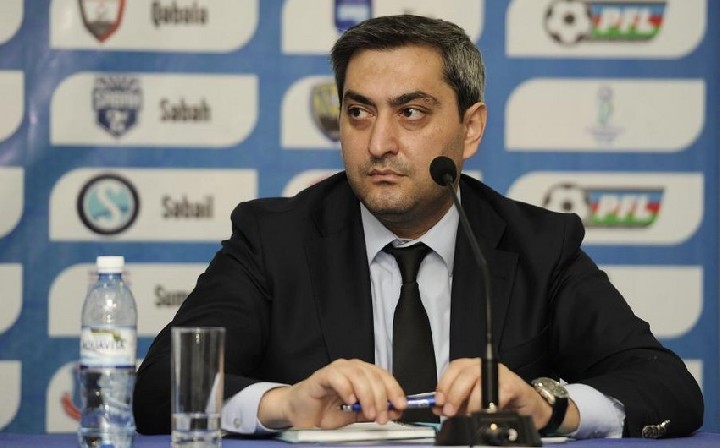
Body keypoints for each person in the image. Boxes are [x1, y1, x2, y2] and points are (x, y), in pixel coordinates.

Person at [133, 14, 703, 438]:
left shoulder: (537, 245)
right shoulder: (272, 239)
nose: (379, 143)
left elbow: (665, 385)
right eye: (359, 112)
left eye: (411, 112)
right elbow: (162, 386)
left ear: (470, 129)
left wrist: (549, 407)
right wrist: (283, 405)